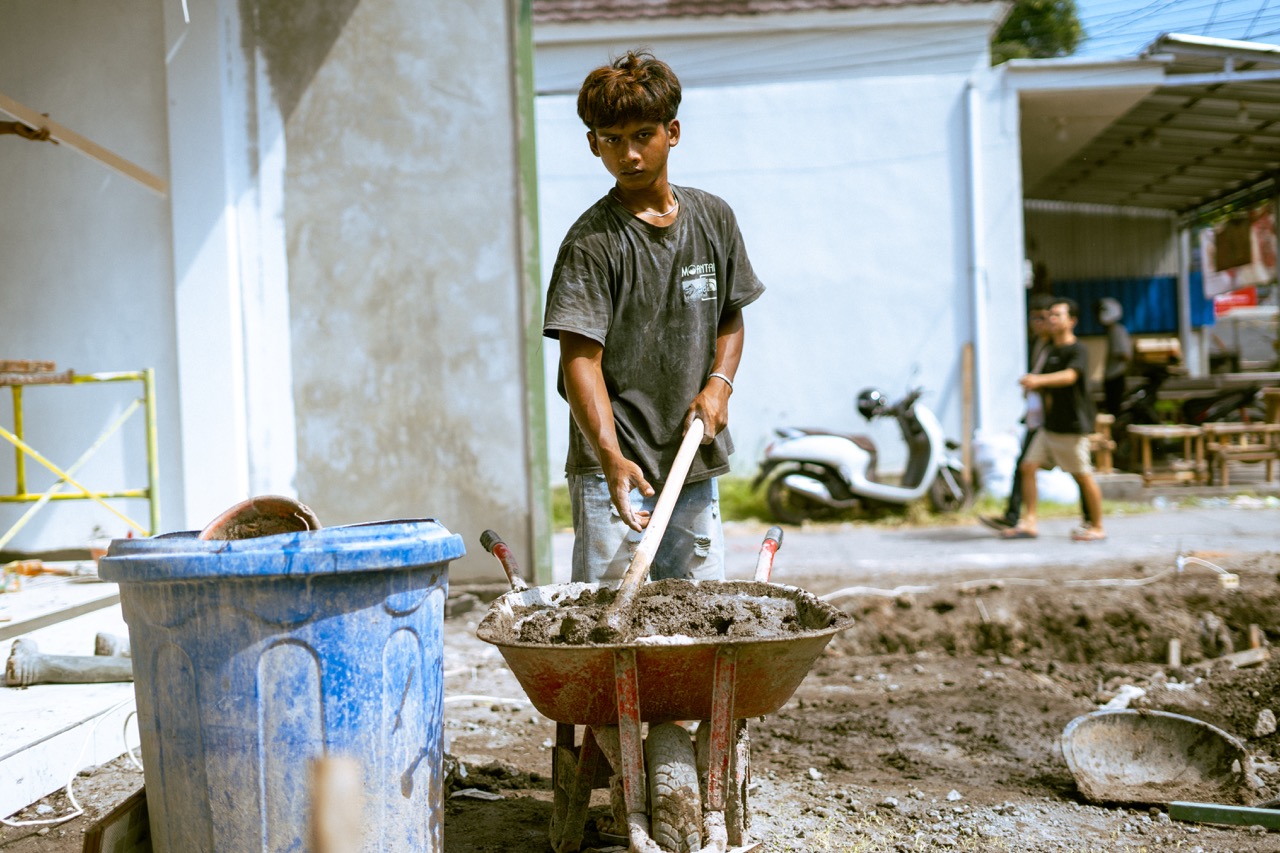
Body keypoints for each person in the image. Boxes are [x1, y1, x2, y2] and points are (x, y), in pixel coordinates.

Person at [542, 51, 765, 584]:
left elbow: (729, 316)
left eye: (643, 134)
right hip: (616, 474)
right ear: (593, 143)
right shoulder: (592, 243)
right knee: (609, 625)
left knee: (697, 620)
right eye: (612, 139)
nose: (629, 154)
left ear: (673, 131)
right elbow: (580, 360)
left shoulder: (714, 218)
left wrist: (719, 386)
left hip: (693, 460)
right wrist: (611, 458)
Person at [1001, 297, 1106, 542]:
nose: (1051, 320)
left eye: (1057, 315)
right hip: (1049, 426)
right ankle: (1029, 522)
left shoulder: (1077, 349)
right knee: (1027, 467)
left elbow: (1070, 376)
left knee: (1082, 475)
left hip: (1072, 425)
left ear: (1072, 321)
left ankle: (1098, 526)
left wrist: (1038, 381)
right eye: (1049, 316)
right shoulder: (1050, 350)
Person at [1096, 297, 1131, 415]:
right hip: (1111, 375)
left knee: (1115, 408)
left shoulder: (1117, 330)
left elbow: (1124, 354)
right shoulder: (1112, 331)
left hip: (1116, 374)